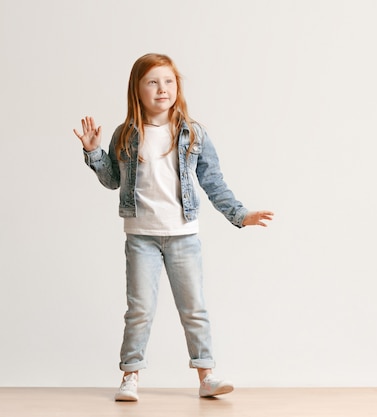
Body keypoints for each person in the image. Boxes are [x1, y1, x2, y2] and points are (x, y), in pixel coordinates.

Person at [73, 53, 274, 402]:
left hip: (183, 236)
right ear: (137, 89)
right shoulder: (127, 133)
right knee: (139, 309)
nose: (161, 88)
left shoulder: (192, 132)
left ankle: (207, 375)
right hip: (141, 237)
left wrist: (241, 215)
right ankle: (130, 377)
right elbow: (113, 180)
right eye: (152, 81)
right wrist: (94, 154)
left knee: (193, 308)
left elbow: (213, 182)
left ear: (177, 86)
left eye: (168, 81)